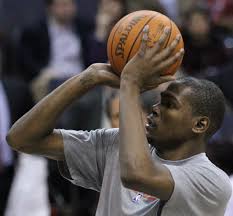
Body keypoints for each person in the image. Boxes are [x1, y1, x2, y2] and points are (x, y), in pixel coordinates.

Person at [7, 26, 232, 215]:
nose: (155, 109)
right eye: (158, 101)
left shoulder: (212, 181)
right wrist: (87, 79)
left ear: (199, 124)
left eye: (169, 104)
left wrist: (131, 82)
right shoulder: (115, 144)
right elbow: (21, 139)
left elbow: (136, 174)